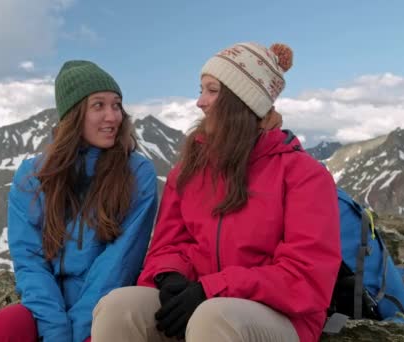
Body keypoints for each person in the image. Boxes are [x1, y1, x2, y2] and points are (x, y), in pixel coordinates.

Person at [91, 42, 342, 342]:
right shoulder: (188, 172)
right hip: (202, 301)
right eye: (200, 90)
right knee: (118, 308)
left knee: (214, 319)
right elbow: (167, 247)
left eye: (212, 90)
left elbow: (305, 277)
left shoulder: (305, 175)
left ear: (241, 99)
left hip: (281, 317)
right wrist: (169, 275)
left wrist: (213, 288)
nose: (200, 102)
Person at [0, 60, 159, 342]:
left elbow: (119, 264)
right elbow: (29, 259)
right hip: (50, 308)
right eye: (98, 105)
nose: (113, 116)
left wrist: (79, 327)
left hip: (106, 309)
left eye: (116, 105)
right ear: (74, 114)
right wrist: (55, 329)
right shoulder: (33, 175)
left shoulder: (137, 173)